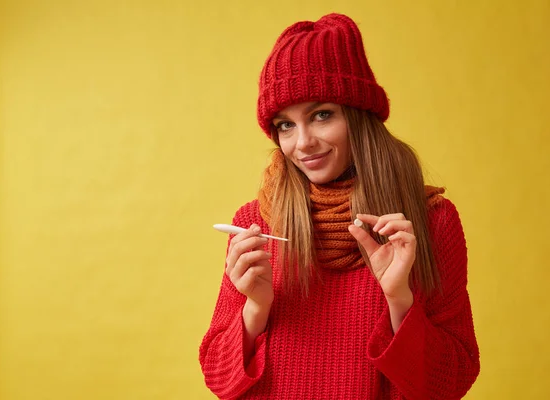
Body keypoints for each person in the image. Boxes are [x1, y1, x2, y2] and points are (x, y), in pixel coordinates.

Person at [199, 13, 480, 399]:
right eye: (285, 125)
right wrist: (255, 309)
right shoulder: (255, 222)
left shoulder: (430, 222)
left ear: (359, 116)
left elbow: (451, 384)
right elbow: (219, 379)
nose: (303, 143)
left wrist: (399, 299)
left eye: (321, 115)